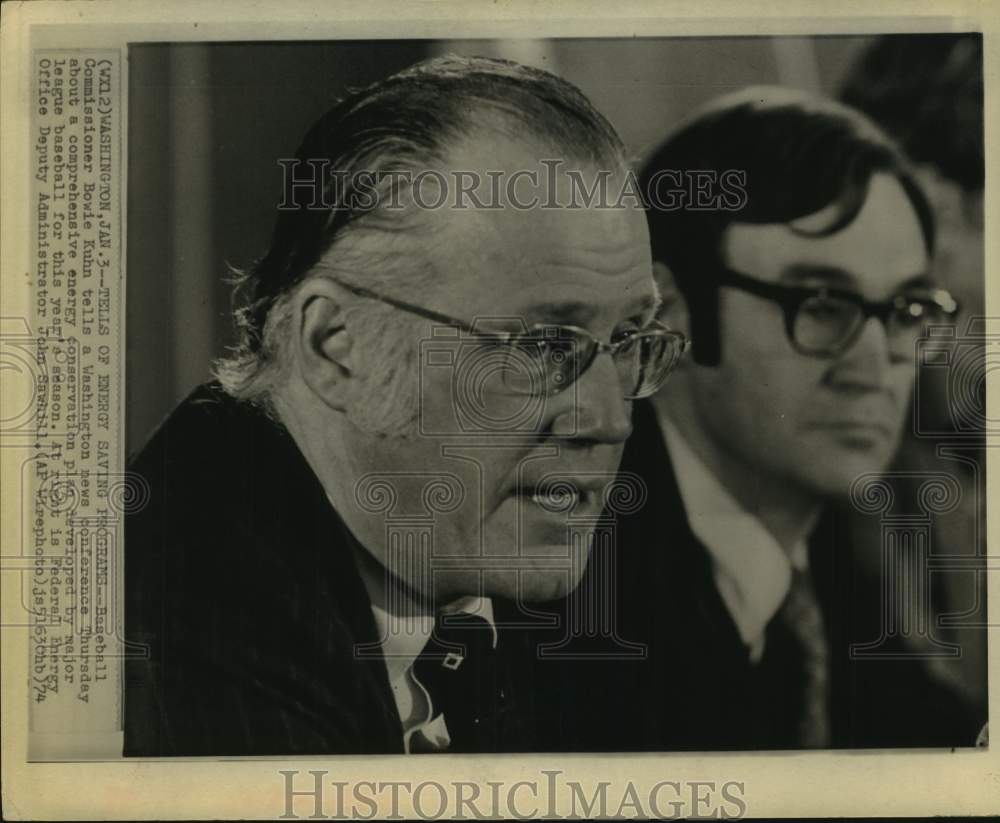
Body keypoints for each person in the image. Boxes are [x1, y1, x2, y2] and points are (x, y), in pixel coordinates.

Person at [122, 55, 687, 755]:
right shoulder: (194, 617)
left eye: (629, 337)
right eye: (543, 345)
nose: (609, 418)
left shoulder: (486, 548)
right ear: (337, 347)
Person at [532, 85, 980, 751]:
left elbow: (915, 724)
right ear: (671, 314)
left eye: (908, 311)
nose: (874, 365)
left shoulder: (826, 551)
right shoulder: (572, 586)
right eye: (823, 303)